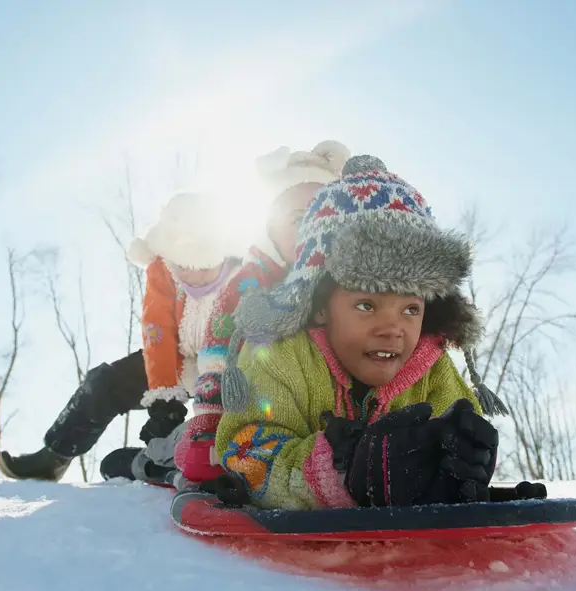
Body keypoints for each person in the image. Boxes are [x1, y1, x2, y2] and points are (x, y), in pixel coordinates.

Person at [213, 154, 511, 511]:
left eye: (411, 309)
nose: (392, 329)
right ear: (320, 303)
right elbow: (246, 450)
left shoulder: (432, 368)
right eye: (367, 305)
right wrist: (346, 471)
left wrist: (462, 463)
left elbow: (459, 431)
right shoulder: (279, 355)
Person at [102, 140, 353, 484]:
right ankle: (150, 461)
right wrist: (207, 427)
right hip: (251, 416)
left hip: (328, 420)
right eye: (297, 219)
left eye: (325, 216)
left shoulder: (361, 280)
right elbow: (216, 356)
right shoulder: (250, 285)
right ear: (271, 230)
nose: (314, 229)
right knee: (200, 457)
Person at [0, 191, 245, 482]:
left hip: (230, 363)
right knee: (103, 382)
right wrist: (165, 398)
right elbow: (158, 331)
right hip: (178, 358)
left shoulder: (243, 272)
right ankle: (53, 457)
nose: (194, 276)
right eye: (184, 267)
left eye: (203, 268)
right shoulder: (162, 269)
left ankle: (206, 453)